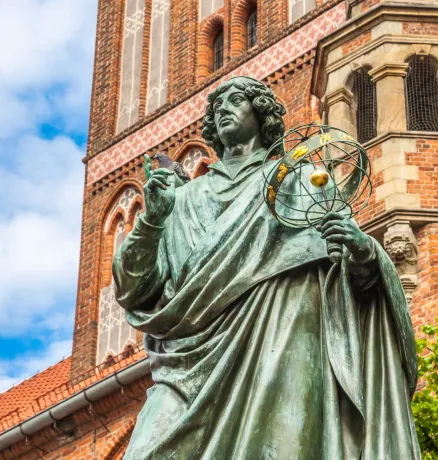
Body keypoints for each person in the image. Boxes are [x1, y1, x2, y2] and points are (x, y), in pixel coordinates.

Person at [113, 76, 421, 459]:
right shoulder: (180, 199)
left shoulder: (301, 181)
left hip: (283, 345)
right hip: (187, 363)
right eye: (217, 105)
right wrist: (151, 222)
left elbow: (349, 276)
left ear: (261, 114)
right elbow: (133, 291)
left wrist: (363, 253)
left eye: (236, 100)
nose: (223, 108)